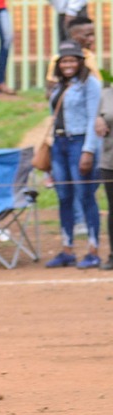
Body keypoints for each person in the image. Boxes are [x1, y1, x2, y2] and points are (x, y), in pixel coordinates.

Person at [46, 41, 102, 269]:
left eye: (72, 60)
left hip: (79, 142)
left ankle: (93, 249)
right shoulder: (59, 86)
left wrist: (89, 150)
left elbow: (93, 119)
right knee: (63, 197)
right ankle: (67, 249)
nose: (68, 65)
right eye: (64, 61)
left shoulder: (91, 84)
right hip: (59, 144)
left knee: (85, 195)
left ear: (80, 62)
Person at [96, 73, 113, 268]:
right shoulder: (106, 95)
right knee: (112, 209)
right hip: (110, 162)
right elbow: (97, 118)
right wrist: (98, 120)